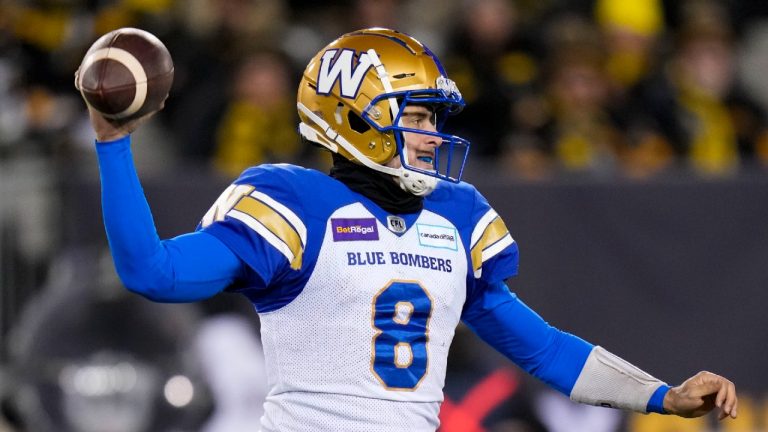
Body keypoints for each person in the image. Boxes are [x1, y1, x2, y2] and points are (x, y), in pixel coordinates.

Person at [79, 28, 738, 432]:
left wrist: (662, 394)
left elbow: (543, 349)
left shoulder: (455, 217)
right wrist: (113, 142)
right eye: (415, 117)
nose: (430, 136)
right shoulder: (292, 202)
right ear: (354, 117)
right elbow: (152, 273)